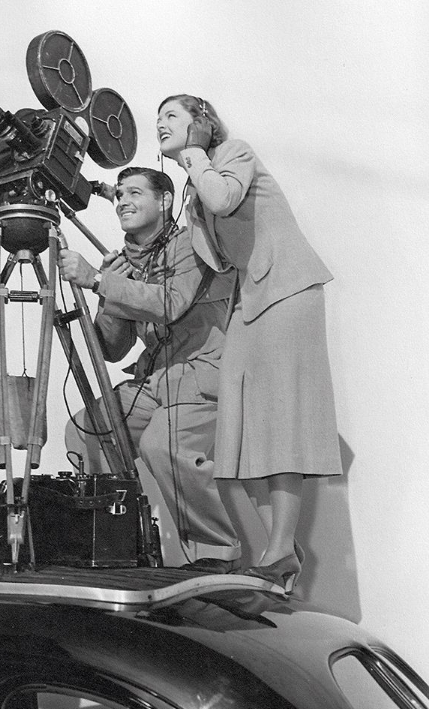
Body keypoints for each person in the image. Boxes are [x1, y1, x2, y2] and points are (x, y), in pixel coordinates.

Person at [157, 95, 342, 593]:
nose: (160, 124)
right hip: (251, 298)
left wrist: (194, 158)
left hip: (285, 290)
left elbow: (224, 201)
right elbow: (215, 261)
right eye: (159, 120)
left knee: (279, 420)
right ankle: (280, 550)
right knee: (242, 428)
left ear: (202, 123)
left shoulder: (233, 153)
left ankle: (279, 550)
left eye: (171, 116)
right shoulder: (197, 188)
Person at [58, 166, 241, 573]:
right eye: (120, 193)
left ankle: (217, 553)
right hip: (153, 380)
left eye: (136, 193)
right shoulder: (125, 262)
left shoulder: (190, 243)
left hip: (202, 374)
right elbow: (113, 347)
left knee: (164, 445)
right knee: (85, 429)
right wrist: (107, 294)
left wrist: (98, 280)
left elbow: (171, 303)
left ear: (165, 201)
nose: (123, 201)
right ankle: (117, 543)